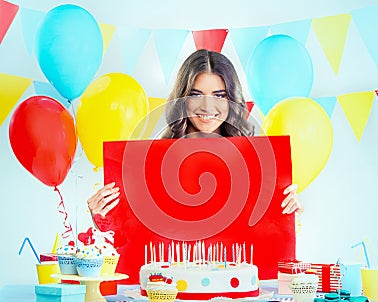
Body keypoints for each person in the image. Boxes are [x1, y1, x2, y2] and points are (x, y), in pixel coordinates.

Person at [88, 49, 303, 220]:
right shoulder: (150, 159)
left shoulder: (256, 162)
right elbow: (129, 232)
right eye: (196, 95)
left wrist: (287, 214)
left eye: (219, 96)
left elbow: (264, 232)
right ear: (182, 99)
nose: (207, 107)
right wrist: (101, 215)